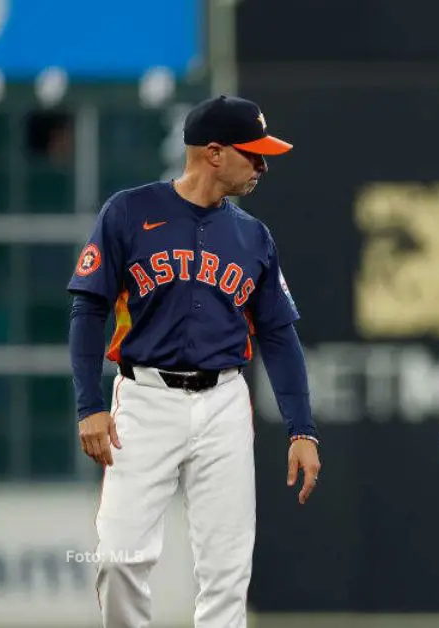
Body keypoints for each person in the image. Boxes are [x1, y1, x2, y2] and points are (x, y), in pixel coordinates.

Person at [67, 95, 322, 628]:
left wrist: (302, 429)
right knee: (118, 558)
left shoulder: (253, 236)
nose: (262, 165)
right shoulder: (130, 212)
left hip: (224, 400)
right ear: (213, 153)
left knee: (226, 573)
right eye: (252, 153)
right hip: (143, 398)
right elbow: (88, 309)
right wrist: (89, 405)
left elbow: (278, 334)